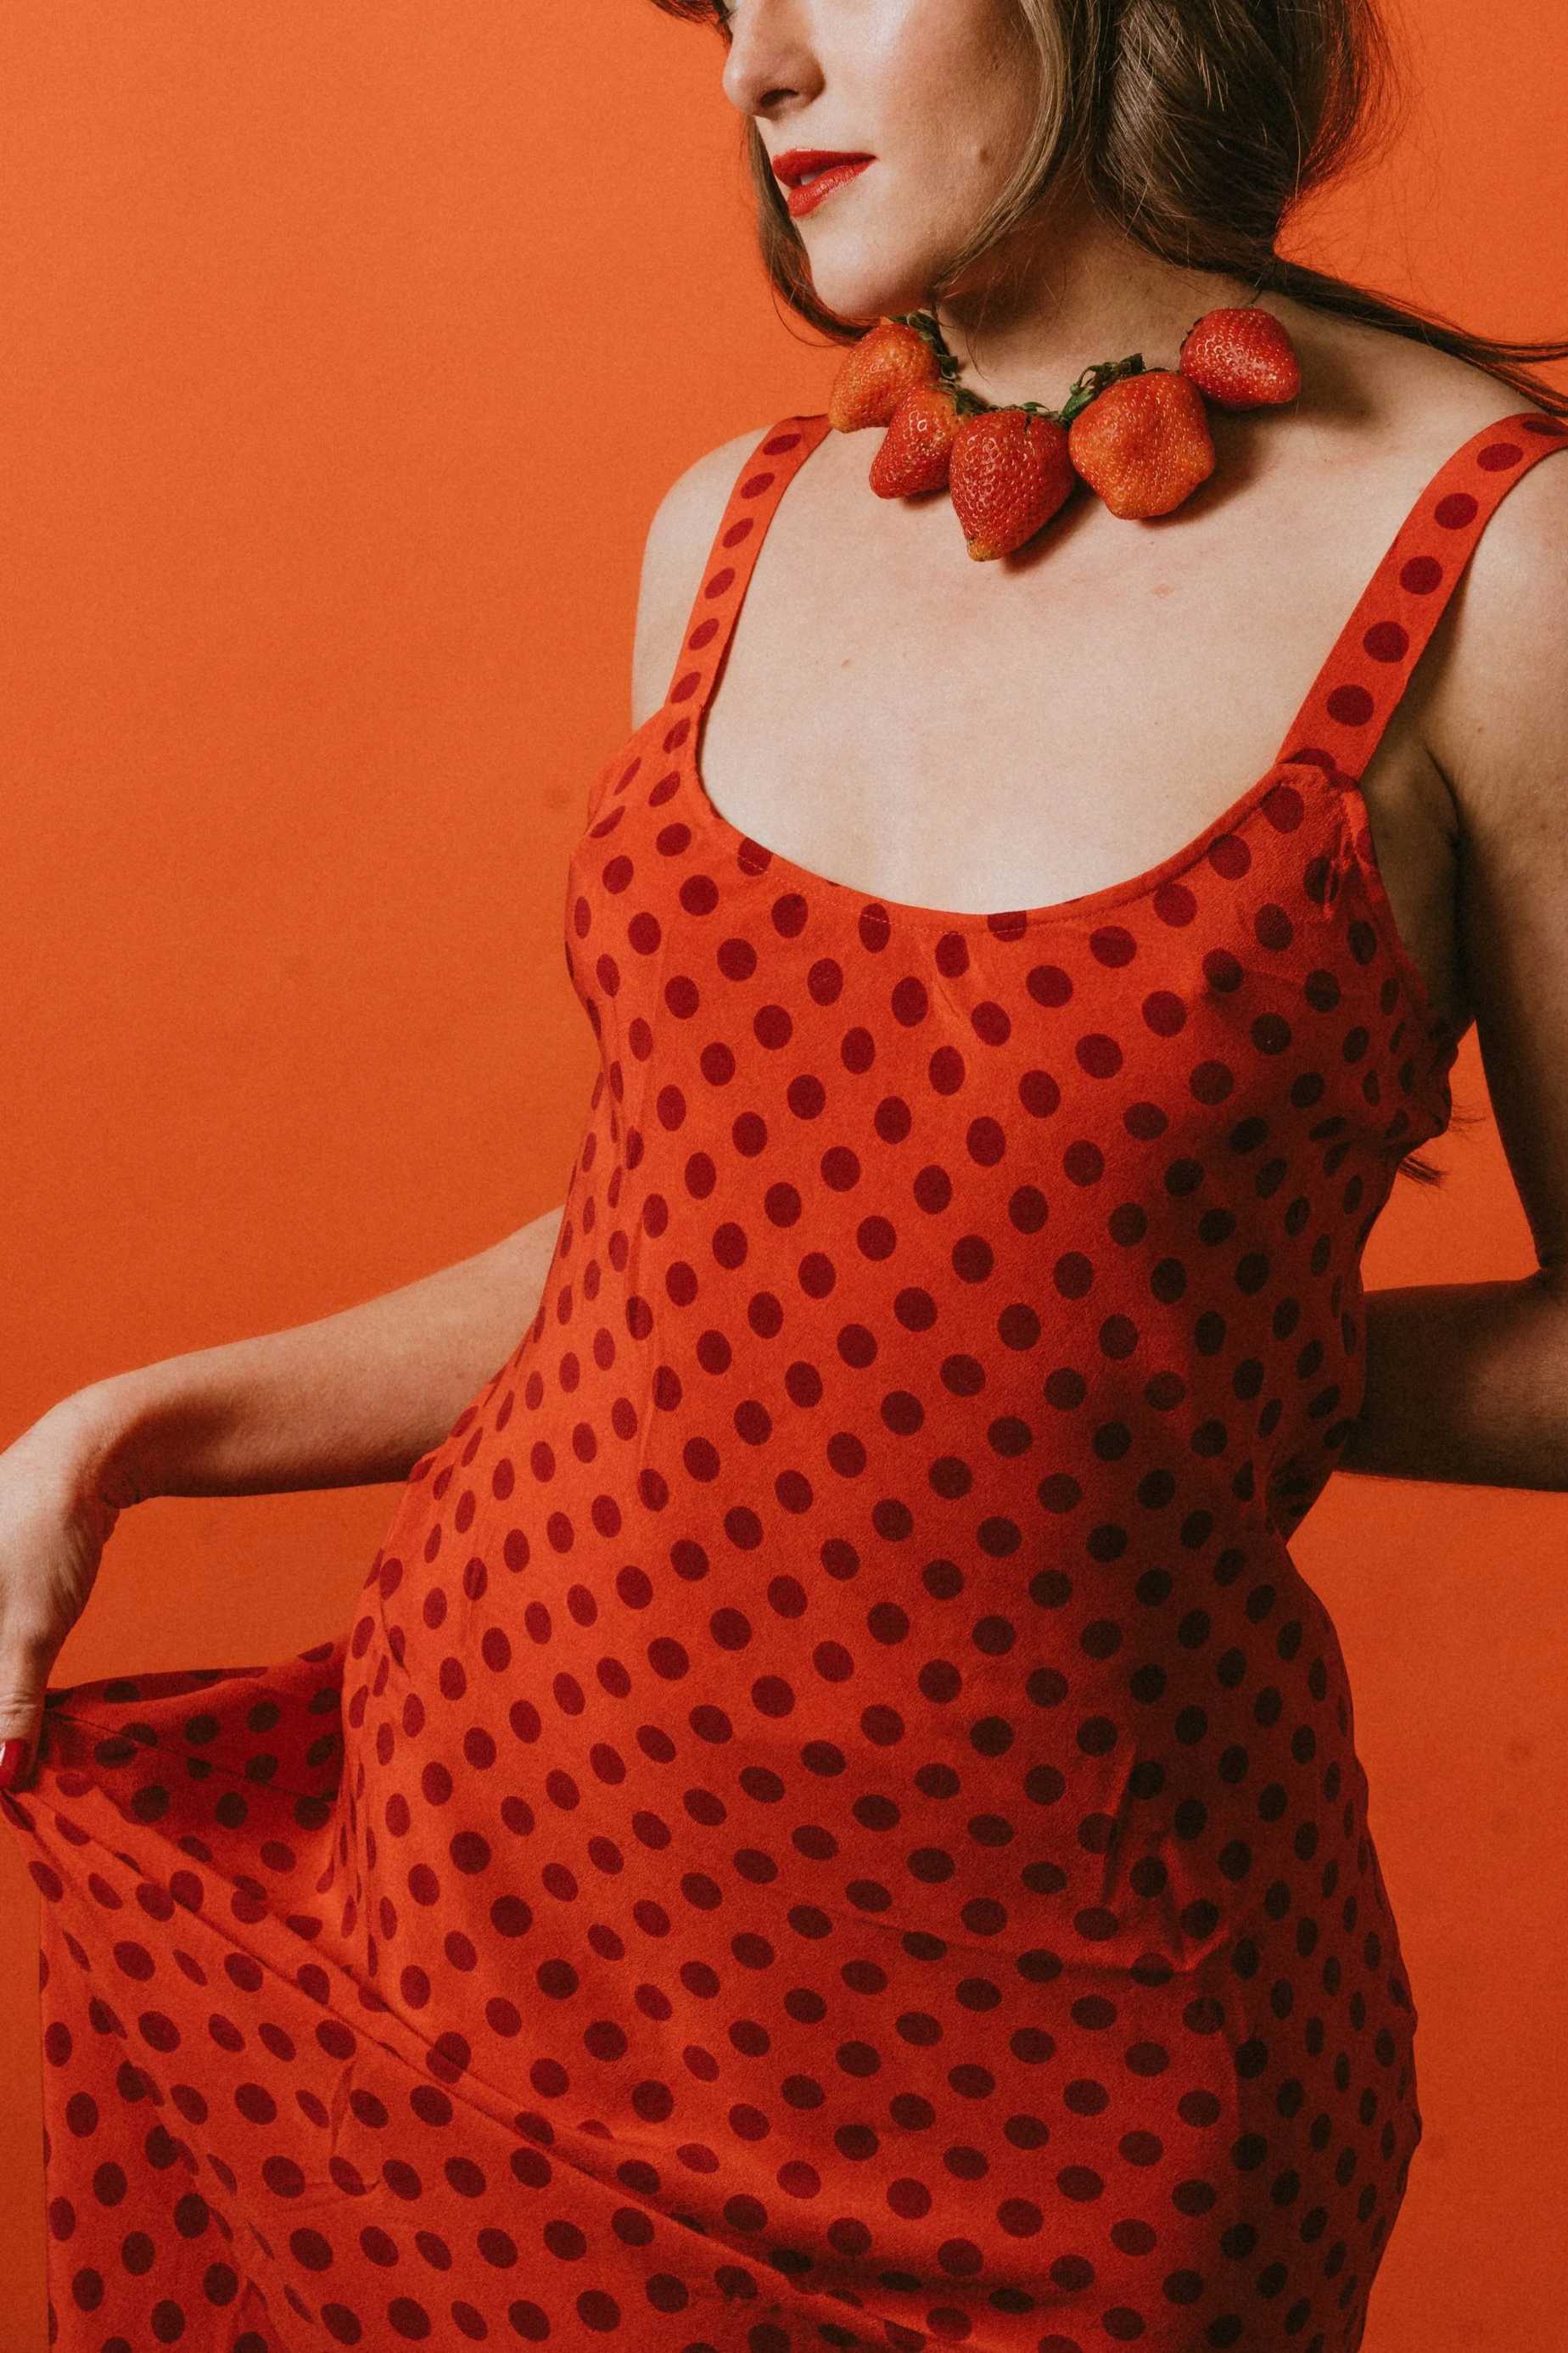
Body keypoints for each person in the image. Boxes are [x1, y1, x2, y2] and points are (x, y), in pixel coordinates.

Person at [3, 0, 1565, 2346]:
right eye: (726, 4)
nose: (755, 69)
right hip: (472, 1938)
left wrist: (1144, 1364)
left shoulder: (1501, 563)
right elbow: (696, 1244)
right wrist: (112, 1435)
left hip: (1067, 2099)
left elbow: (967, 1290)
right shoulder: (728, 530)